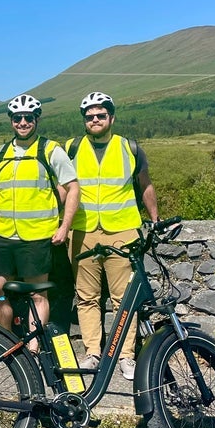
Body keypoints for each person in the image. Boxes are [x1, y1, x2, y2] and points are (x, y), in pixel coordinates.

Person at [67, 91, 159, 378]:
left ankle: (125, 355)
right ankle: (92, 352)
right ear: (84, 120)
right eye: (89, 116)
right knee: (86, 297)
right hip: (82, 231)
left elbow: (145, 185)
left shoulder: (129, 148)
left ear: (111, 118)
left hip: (122, 231)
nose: (95, 119)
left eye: (100, 115)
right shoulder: (71, 148)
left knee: (124, 299)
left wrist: (155, 219)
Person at [0, 93, 79, 339]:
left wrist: (64, 226)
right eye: (17, 118)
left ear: (37, 119)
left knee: (38, 295)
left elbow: (73, 187)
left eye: (28, 118)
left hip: (36, 237)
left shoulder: (50, 150)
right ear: (11, 120)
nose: (23, 122)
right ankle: (4, 340)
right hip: (2, 236)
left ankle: (35, 346)